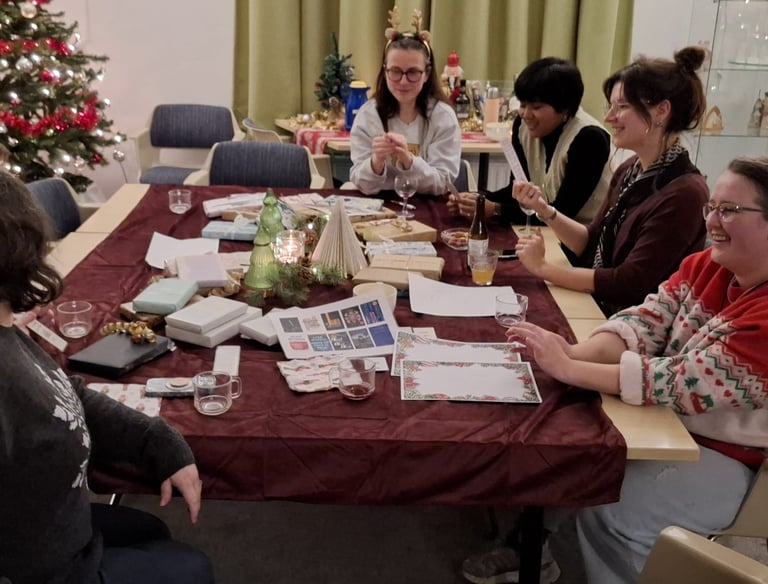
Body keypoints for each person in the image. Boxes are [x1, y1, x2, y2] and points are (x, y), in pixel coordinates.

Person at [499, 156, 768, 583]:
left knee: (610, 512)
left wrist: (570, 367)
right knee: (573, 459)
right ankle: (537, 553)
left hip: (738, 462)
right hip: (675, 425)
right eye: (712, 207)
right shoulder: (706, 265)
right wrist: (576, 353)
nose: (713, 221)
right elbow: (646, 319)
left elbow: (683, 381)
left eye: (730, 210)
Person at [0, 171, 214, 584]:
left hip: (60, 529)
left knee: (152, 531)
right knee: (194, 567)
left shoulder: (9, 331)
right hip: (51, 571)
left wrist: (155, 438)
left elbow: (64, 396)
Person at [511, 46, 709, 316]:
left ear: (661, 111)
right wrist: (545, 210)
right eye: (611, 106)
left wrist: (543, 269)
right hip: (607, 308)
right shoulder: (631, 169)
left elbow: (627, 284)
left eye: (622, 107)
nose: (608, 117)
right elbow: (590, 241)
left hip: (638, 322)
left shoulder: (685, 193)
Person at [447, 57, 612, 225]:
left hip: (583, 234)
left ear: (565, 108)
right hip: (543, 229)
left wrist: (496, 209)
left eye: (536, 107)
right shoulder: (522, 126)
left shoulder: (590, 139)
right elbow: (517, 192)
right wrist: (476, 200)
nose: (526, 114)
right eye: (523, 105)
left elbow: (563, 212)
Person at [349, 9, 461, 195]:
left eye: (413, 72)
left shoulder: (443, 116)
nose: (403, 81)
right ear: (385, 71)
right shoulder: (369, 115)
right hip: (379, 204)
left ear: (426, 74)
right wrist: (376, 161)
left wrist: (408, 159)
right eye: (395, 71)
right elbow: (362, 185)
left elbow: (443, 183)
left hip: (426, 204)